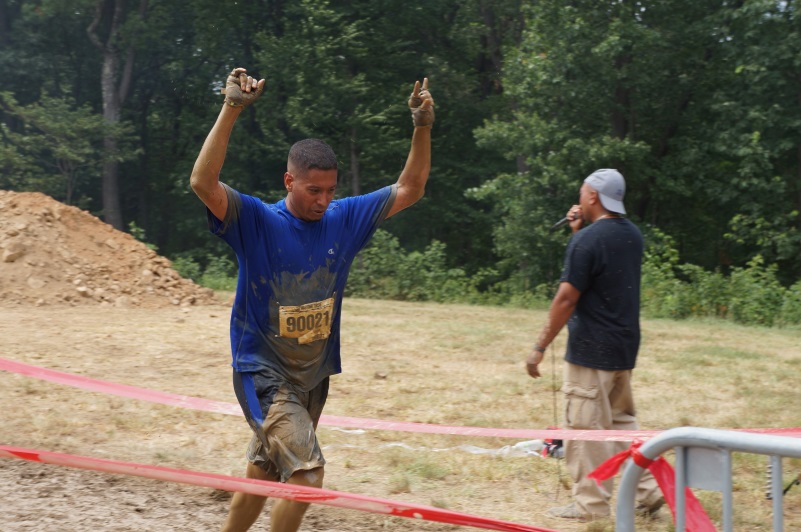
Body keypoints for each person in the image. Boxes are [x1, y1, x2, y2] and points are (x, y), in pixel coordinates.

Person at [190, 67, 434, 532]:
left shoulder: (345, 218)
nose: (323, 200)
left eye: (330, 190)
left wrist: (422, 127)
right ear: (289, 181)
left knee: (263, 472)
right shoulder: (257, 221)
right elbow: (203, 183)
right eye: (312, 190)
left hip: (312, 377)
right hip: (261, 373)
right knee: (307, 476)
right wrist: (231, 108)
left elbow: (410, 188)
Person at [525, 169, 664, 521]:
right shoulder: (632, 235)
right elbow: (603, 266)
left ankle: (590, 507)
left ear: (593, 198)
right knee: (622, 425)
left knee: (585, 431)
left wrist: (540, 347)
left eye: (583, 192)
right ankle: (649, 493)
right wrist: (578, 233)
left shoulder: (587, 241)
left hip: (591, 351)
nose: (580, 198)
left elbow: (567, 298)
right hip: (623, 348)